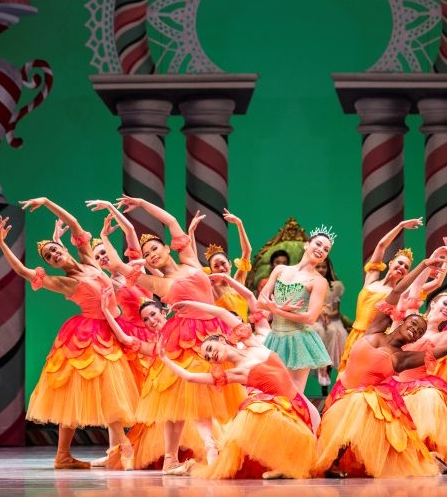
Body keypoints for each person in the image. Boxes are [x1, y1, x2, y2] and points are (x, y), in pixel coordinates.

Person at [99, 195, 246, 475]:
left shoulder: (190, 260)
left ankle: (226, 448)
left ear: (167, 247)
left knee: (221, 391)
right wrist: (106, 237)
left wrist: (141, 203)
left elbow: (172, 221)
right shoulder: (158, 282)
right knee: (178, 398)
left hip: (214, 331)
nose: (153, 253)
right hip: (185, 336)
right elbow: (118, 266)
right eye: (148, 253)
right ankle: (171, 459)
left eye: (156, 247)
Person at [0, 198, 138, 470]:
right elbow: (22, 271)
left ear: (62, 246)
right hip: (89, 335)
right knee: (91, 392)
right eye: (48, 257)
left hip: (110, 328)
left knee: (96, 393)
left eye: (53, 250)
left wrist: (47, 201)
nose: (52, 256)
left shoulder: (88, 259)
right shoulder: (64, 282)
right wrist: (3, 244)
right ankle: (122, 447)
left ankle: (66, 455)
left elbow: (73, 222)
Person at [313, 251, 447, 478]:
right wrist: (423, 264)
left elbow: (445, 349)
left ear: (415, 339)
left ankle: (432, 461)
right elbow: (396, 291)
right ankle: (333, 461)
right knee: (353, 406)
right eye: (413, 324)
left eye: (419, 332)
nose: (415, 329)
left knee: (368, 408)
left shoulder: (401, 358)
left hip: (365, 402)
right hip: (343, 392)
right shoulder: (376, 328)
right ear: (402, 321)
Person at [158, 300, 317, 479]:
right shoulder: (236, 372)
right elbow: (190, 377)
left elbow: (221, 313)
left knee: (316, 450)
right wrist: (165, 359)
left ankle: (289, 463)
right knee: (255, 406)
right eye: (208, 357)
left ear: (221, 339)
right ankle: (282, 464)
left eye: (210, 349)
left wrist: (191, 304)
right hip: (281, 412)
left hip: (301, 406)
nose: (211, 355)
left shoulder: (253, 344)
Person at [338, 218, 445, 372]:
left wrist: (438, 260)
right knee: (344, 373)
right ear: (390, 263)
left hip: (374, 338)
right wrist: (400, 225)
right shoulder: (371, 279)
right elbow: (381, 246)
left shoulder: (399, 294)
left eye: (406, 267)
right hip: (355, 334)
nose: (402, 267)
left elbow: (434, 284)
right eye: (400, 263)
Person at [257, 225, 336, 395]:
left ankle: (308, 421)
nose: (321, 250)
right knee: (272, 391)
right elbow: (261, 302)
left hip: (299, 340)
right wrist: (277, 307)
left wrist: (277, 310)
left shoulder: (319, 281)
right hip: (275, 338)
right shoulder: (280, 270)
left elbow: (310, 318)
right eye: (318, 244)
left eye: (326, 249)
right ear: (307, 244)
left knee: (293, 395)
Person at [190, 208, 253, 321]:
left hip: (245, 332)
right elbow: (193, 262)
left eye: (223, 263)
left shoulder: (238, 282)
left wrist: (239, 224)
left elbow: (247, 252)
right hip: (223, 334)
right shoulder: (212, 288)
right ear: (211, 270)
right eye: (216, 266)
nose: (221, 268)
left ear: (229, 264)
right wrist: (191, 232)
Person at [310, 256, 346, 391]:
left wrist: (328, 315)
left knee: (334, 332)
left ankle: (327, 368)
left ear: (328, 268)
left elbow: (336, 311)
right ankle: (321, 366)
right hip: (313, 318)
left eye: (323, 267)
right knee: (317, 331)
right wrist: (319, 314)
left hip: (332, 319)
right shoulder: (309, 284)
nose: (321, 269)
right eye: (318, 266)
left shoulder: (335, 286)